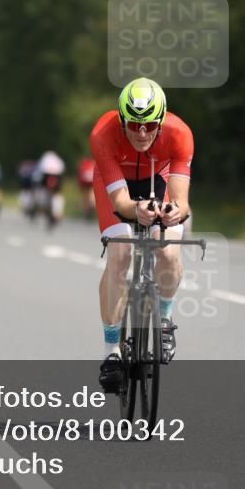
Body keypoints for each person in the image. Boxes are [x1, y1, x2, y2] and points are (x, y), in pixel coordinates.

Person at [90, 77, 193, 392]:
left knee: (168, 251)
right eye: (133, 125)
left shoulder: (180, 134)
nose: (142, 133)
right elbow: (120, 203)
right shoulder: (103, 135)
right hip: (117, 182)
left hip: (156, 179)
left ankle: (164, 319)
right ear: (122, 120)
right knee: (120, 255)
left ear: (160, 121)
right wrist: (137, 211)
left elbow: (181, 201)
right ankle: (111, 351)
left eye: (149, 125)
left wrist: (174, 212)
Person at [36, 150, 66, 227]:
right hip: (57, 175)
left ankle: (45, 209)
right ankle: (57, 212)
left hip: (46, 175)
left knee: (44, 193)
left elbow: (38, 173)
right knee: (57, 194)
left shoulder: (44, 159)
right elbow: (63, 169)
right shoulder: (57, 160)